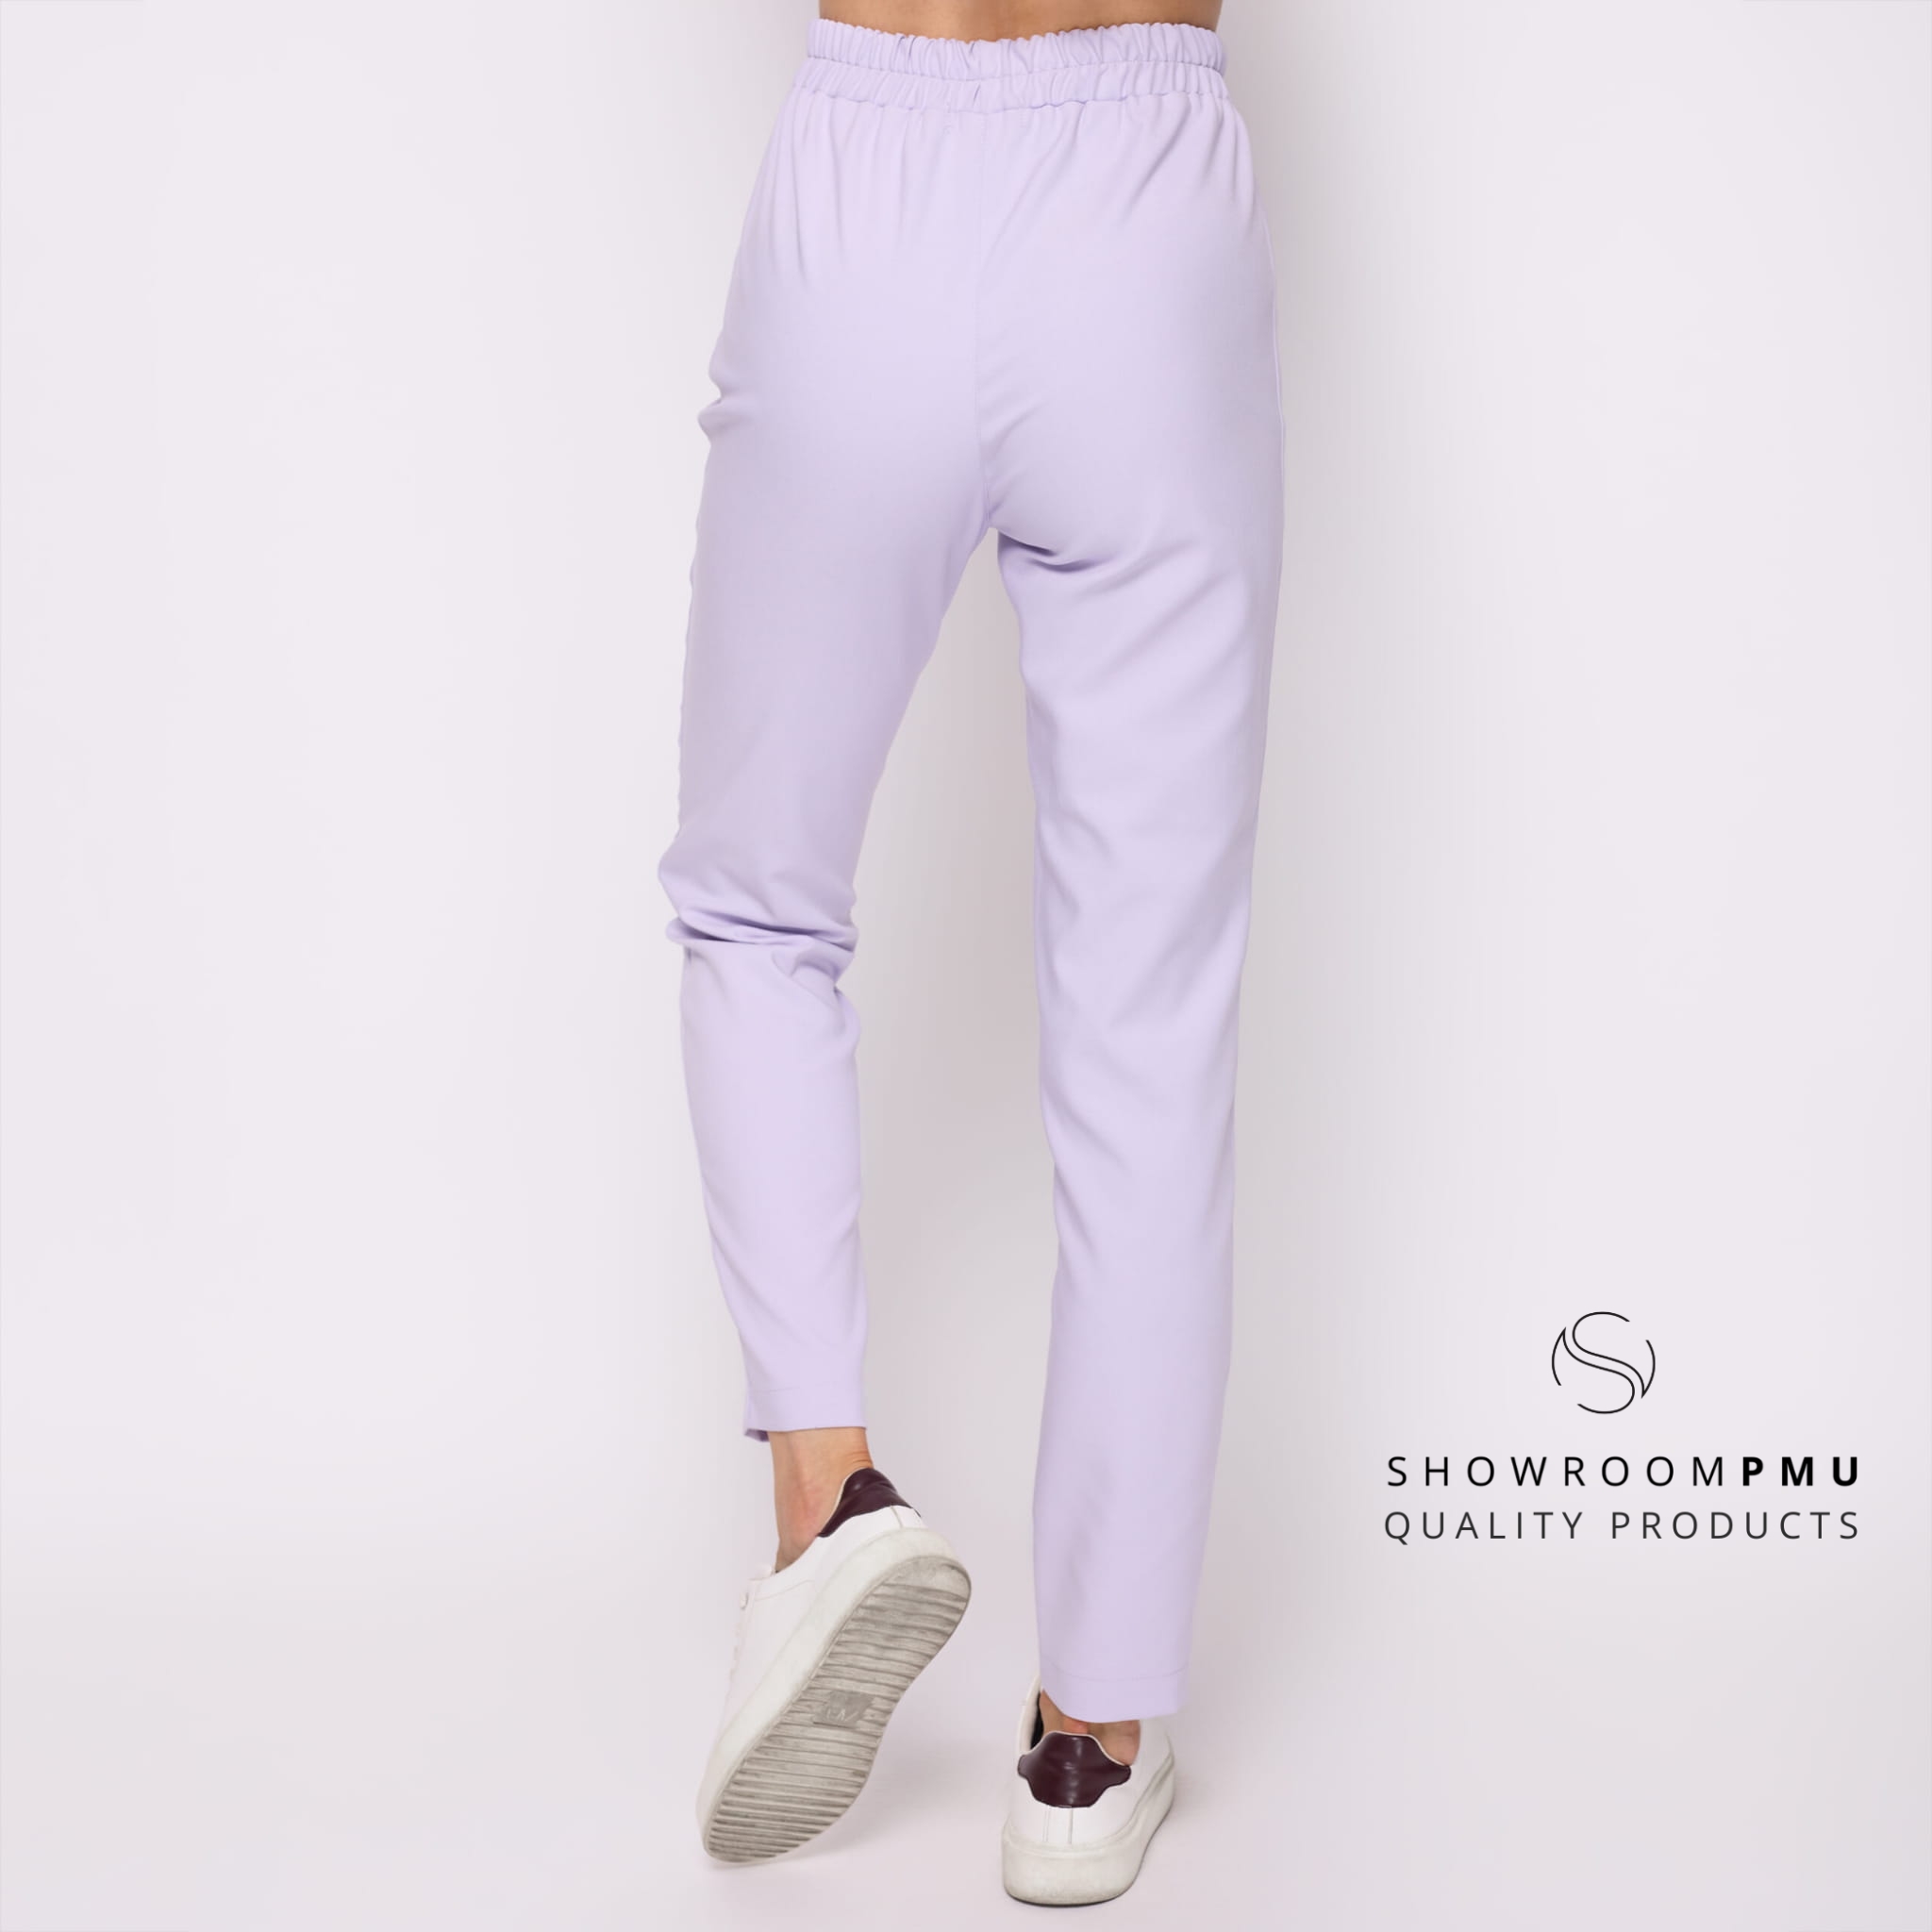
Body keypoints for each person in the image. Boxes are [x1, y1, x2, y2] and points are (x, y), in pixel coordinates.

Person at [657, 0, 1281, 1904]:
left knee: (761, 904)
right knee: (1147, 1022)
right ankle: (1089, 1741)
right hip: (1149, 214)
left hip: (868, 173)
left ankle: (827, 1500)